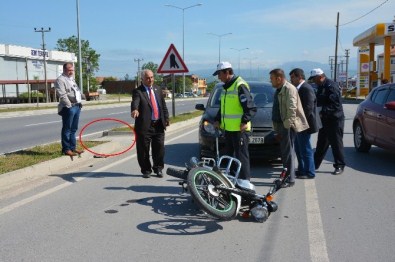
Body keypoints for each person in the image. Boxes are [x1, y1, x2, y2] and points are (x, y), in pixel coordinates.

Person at [213, 61, 257, 190]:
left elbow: (251, 108)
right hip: (229, 129)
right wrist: (217, 120)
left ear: (227, 72)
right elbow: (223, 108)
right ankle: (232, 181)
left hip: (239, 129)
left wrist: (244, 121)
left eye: (219, 74)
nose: (218, 77)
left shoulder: (239, 85)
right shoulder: (225, 88)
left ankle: (244, 183)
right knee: (229, 156)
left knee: (242, 157)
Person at [270, 68, 309, 187]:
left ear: (279, 78)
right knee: (285, 153)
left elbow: (292, 110)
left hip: (287, 126)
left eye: (272, 78)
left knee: (288, 153)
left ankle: (289, 179)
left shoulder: (289, 89)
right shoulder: (279, 89)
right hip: (281, 125)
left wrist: (286, 127)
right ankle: (285, 176)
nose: (270, 81)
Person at [131, 69, 169, 178]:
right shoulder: (138, 91)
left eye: (152, 77)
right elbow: (135, 102)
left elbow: (163, 105)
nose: (150, 80)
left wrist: (166, 118)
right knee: (143, 150)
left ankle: (158, 168)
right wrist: (135, 109)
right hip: (144, 126)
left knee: (159, 149)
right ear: (142, 79)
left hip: (158, 125)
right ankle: (146, 170)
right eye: (147, 78)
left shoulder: (157, 89)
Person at [309, 68, 346, 175]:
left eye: (314, 79)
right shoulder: (321, 86)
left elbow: (335, 105)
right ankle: (314, 165)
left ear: (320, 76)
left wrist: (322, 111)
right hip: (324, 119)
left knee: (336, 144)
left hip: (334, 119)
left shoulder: (331, 86)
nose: (313, 81)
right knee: (321, 143)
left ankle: (339, 165)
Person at [289, 68, 321, 179]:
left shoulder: (306, 88)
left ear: (299, 77)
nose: (291, 79)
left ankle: (310, 172)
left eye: (293, 77)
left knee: (306, 149)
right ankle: (302, 169)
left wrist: (298, 120)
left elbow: (308, 108)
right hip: (299, 124)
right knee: (298, 148)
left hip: (305, 124)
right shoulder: (299, 88)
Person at [55, 63, 84, 158]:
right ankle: (66, 149)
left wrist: (81, 99)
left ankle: (72, 147)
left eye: (72, 70)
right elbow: (62, 94)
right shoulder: (60, 80)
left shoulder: (71, 79)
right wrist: (69, 105)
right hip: (68, 107)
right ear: (64, 70)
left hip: (77, 106)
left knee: (73, 129)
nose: (71, 72)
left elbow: (76, 91)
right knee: (67, 129)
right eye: (69, 70)